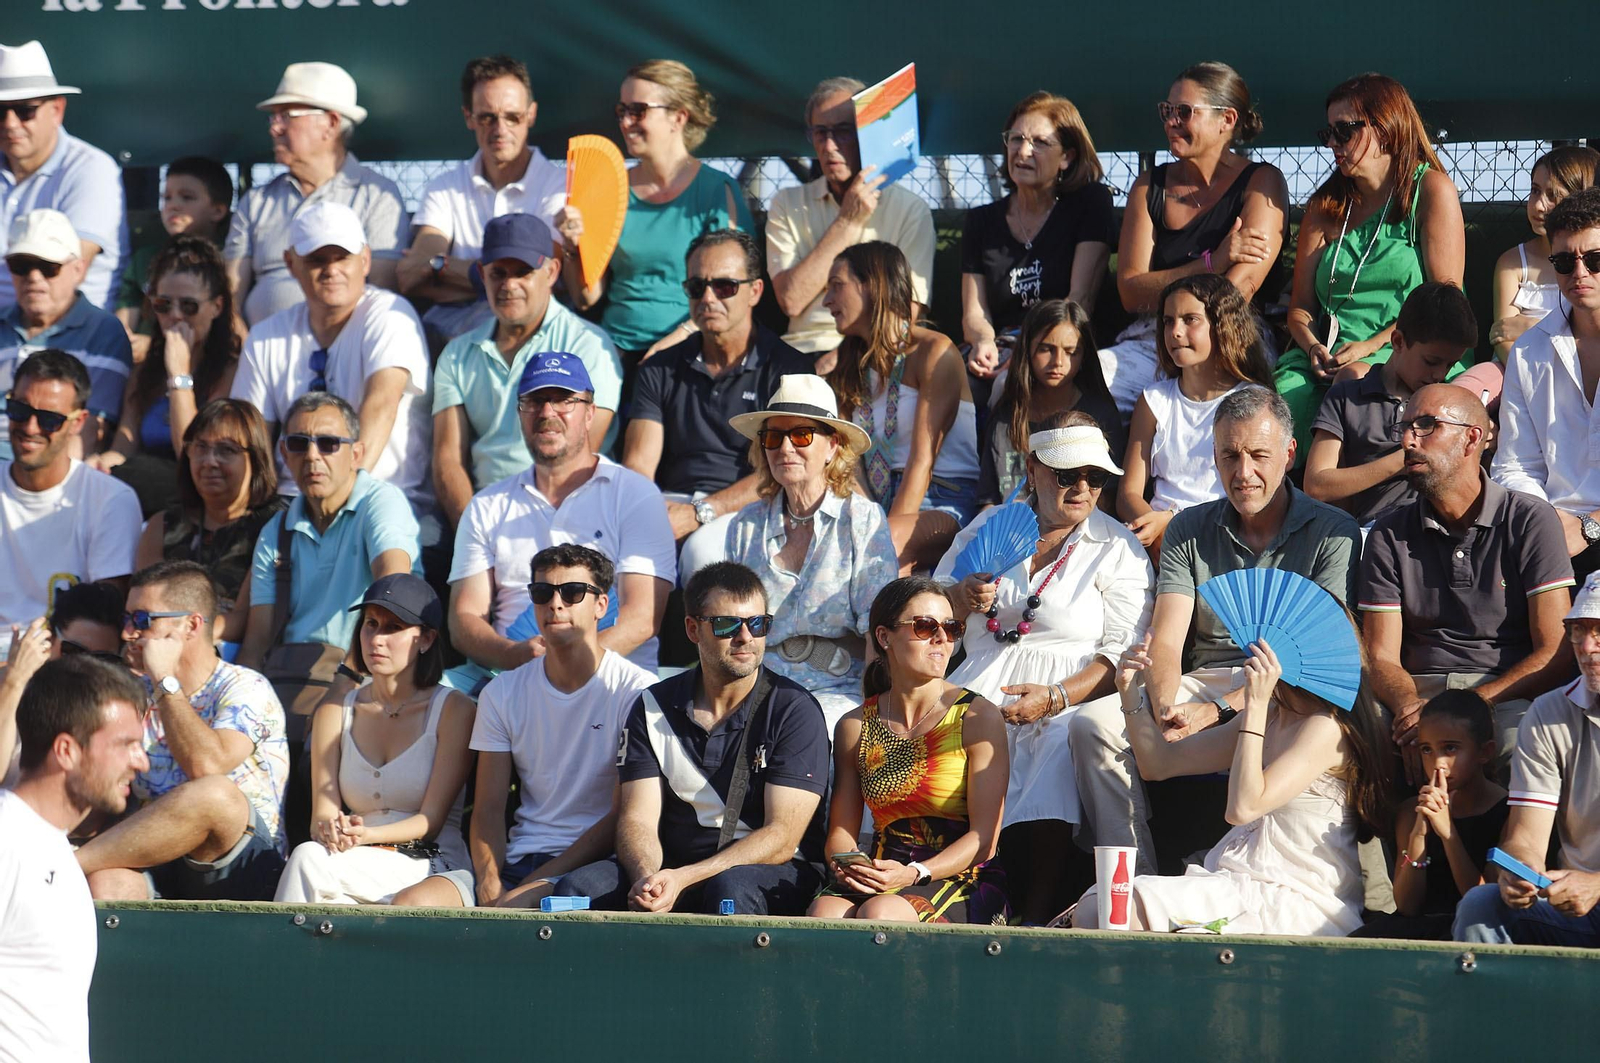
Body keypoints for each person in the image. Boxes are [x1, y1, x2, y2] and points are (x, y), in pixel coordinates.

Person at [1068, 387, 1359, 873]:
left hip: (1290, 688)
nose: (1243, 472)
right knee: (1090, 726)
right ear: (1214, 457)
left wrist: (1218, 709)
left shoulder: (1333, 531)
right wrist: (1165, 707)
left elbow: (1318, 656)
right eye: (1230, 455)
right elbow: (1166, 637)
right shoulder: (1188, 528)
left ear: (1289, 454)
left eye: (1259, 455)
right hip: (1207, 678)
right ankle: (1132, 880)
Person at [938, 416, 1153, 923]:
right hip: (979, 675)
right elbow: (930, 610)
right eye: (1067, 474)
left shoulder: (1118, 547)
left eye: (1095, 477)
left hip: (1073, 688)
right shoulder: (988, 525)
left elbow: (1120, 654)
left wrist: (1056, 696)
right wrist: (960, 597)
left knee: (1057, 741)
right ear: (1033, 469)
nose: (1082, 488)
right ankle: (950, 892)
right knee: (938, 729)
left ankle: (1036, 912)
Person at [551, 562, 830, 916]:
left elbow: (782, 838)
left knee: (729, 890)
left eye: (758, 624)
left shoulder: (794, 709)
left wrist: (686, 877)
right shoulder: (653, 705)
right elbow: (637, 819)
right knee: (577, 889)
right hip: (672, 868)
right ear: (692, 629)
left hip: (770, 871)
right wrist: (648, 879)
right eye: (727, 624)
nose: (746, 637)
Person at [1069, 628, 1388, 936]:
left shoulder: (1326, 727)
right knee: (1099, 904)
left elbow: (1242, 809)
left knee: (1110, 909)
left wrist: (1255, 704)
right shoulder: (1276, 714)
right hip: (1236, 883)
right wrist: (1127, 691)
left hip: (1294, 898)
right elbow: (1159, 764)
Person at [394, 545, 656, 909]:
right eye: (542, 592)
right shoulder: (502, 692)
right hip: (514, 863)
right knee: (412, 904)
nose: (556, 604)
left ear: (601, 605)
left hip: (589, 870)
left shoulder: (636, 690)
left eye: (572, 592)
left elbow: (619, 817)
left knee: (517, 910)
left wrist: (526, 889)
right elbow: (488, 808)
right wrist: (489, 881)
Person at [1359, 384, 1574, 784]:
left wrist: (1463, 709)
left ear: (1472, 438)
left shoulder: (1529, 520)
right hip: (1416, 693)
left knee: (1524, 747)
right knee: (1347, 742)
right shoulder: (1389, 534)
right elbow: (1381, 656)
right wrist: (1408, 707)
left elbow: (1555, 652)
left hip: (1503, 695)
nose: (1408, 441)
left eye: (1427, 425)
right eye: (1405, 427)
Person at [448, 352, 674, 686]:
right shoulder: (486, 505)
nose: (547, 412)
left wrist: (561, 667)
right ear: (520, 412)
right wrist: (513, 656)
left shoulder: (635, 495)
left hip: (612, 680)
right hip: (510, 675)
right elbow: (464, 618)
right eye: (534, 401)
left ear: (590, 413)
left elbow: (642, 618)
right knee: (430, 700)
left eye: (564, 400)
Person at [74, 561, 290, 900]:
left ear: (191, 625)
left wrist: (165, 681)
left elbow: (207, 766)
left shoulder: (246, 688)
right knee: (109, 883)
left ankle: (63, 865)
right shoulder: (135, 693)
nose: (128, 633)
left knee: (214, 794)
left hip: (242, 865)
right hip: (161, 860)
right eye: (127, 618)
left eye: (142, 620)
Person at [1276, 73, 1466, 456]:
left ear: (1386, 129)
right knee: (1280, 401)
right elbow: (1300, 309)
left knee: (1353, 385)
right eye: (1328, 133)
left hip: (1405, 347)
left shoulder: (1430, 190)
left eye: (1344, 131)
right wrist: (1313, 347)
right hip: (1326, 352)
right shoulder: (1325, 206)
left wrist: (1371, 345)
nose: (1332, 143)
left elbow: (1445, 303)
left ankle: (1337, 488)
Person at [810, 576, 1009, 924]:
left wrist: (915, 872)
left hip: (960, 873)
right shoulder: (855, 725)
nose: (942, 638)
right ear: (884, 637)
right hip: (883, 869)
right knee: (826, 914)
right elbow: (841, 830)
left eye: (952, 628)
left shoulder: (977, 716)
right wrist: (848, 864)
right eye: (925, 626)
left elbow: (984, 841)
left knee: (881, 913)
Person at [1097, 62, 1288, 418]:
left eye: (1184, 112)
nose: (1171, 121)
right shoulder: (1148, 187)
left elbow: (1240, 289)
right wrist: (1211, 263)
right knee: (1090, 385)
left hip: (1232, 334)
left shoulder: (1262, 182)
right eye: (1166, 110)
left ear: (1226, 119)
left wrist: (1189, 323)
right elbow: (1131, 291)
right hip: (1155, 333)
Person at [273, 574, 476, 906]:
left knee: (308, 860)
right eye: (371, 624)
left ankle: (270, 941)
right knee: (313, 862)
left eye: (393, 628)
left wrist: (367, 835)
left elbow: (431, 822)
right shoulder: (333, 712)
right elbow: (321, 816)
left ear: (426, 639)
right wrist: (333, 829)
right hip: (352, 862)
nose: (377, 639)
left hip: (430, 862)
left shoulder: (454, 709)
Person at [625, 229, 813, 579]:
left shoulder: (788, 370)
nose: (708, 298)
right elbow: (638, 468)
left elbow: (785, 469)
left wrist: (702, 512)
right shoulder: (658, 369)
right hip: (668, 505)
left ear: (755, 291)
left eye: (724, 286)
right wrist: (650, 515)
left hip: (752, 509)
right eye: (697, 287)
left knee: (703, 555)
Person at [231, 201, 433, 520]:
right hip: (289, 500)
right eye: (317, 260)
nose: (331, 270)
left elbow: (382, 405)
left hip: (381, 496)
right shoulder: (265, 335)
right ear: (290, 263)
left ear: (365, 260)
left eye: (342, 257)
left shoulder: (391, 315)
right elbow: (251, 437)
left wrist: (338, 504)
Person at [236, 393, 420, 729]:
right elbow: (256, 643)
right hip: (289, 679)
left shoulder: (380, 502)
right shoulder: (276, 529)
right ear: (283, 454)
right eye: (298, 443)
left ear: (356, 454)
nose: (312, 456)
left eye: (328, 443)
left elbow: (394, 588)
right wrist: (241, 713)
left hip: (365, 673)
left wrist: (345, 680)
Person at [725, 374, 895, 728]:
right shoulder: (745, 525)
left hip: (839, 691)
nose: (785, 448)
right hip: (756, 688)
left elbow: (877, 632)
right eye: (773, 437)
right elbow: (729, 628)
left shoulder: (861, 519)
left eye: (801, 435)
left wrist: (872, 716)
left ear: (832, 446)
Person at [431, 213, 621, 527]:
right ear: (482, 274)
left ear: (552, 272)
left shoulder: (590, 345)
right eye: (498, 273)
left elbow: (579, 453)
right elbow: (447, 459)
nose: (509, 285)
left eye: (523, 272)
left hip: (570, 514)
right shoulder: (456, 354)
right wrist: (473, 531)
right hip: (481, 513)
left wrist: (525, 532)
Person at [0, 657, 147, 1063]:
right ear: (66, 751)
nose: (141, 761)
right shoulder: (7, 841)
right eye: (125, 745)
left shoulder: (54, 850)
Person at [558, 59, 752, 365]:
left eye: (638, 111)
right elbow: (586, 298)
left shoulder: (717, 191)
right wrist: (572, 249)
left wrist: (676, 340)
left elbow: (736, 292)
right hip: (614, 350)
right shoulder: (610, 191)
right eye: (622, 110)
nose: (625, 122)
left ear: (678, 117)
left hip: (694, 349)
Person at [1454, 571, 1600, 946]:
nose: (1586, 646)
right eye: (1578, 630)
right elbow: (1525, 836)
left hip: (1590, 892)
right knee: (1482, 905)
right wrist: (1518, 871)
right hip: (1577, 906)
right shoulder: (1550, 711)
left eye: (1599, 631)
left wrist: (1597, 884)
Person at [825, 241, 979, 566]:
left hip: (943, 497)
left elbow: (923, 460)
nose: (827, 300)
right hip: (877, 502)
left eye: (837, 286)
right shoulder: (846, 366)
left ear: (872, 285)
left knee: (883, 546)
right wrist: (868, 518)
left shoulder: (935, 352)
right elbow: (850, 463)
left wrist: (879, 532)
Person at [766, 76, 936, 364]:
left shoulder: (910, 209)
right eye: (820, 132)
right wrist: (847, 222)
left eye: (843, 131)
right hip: (801, 351)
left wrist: (845, 356)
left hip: (875, 352)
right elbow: (791, 300)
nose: (830, 146)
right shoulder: (787, 203)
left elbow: (907, 312)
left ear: (869, 135)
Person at [227, 61, 407, 328]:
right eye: (273, 118)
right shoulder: (256, 202)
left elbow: (382, 293)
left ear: (330, 123)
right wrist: (244, 343)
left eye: (287, 116)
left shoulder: (378, 196)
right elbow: (231, 294)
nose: (274, 129)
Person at [400, 55, 566, 343]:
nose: (500, 129)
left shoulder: (559, 185)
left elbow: (548, 280)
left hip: (532, 332)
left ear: (531, 114)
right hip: (453, 331)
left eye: (512, 117)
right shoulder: (444, 187)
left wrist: (443, 266)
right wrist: (504, 280)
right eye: (487, 117)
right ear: (469, 117)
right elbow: (410, 276)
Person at [961, 92, 1115, 388]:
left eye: (1040, 142)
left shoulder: (1090, 204)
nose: (1023, 151)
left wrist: (1029, 350)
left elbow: (1080, 300)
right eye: (1016, 139)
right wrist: (983, 341)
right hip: (1002, 347)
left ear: (1067, 157)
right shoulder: (981, 221)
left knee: (1010, 387)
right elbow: (974, 313)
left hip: (1062, 347)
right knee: (953, 381)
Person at [1117, 274, 1274, 556]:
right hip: (1158, 542)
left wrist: (1174, 525)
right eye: (1168, 321)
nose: (1175, 332)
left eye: (1190, 319)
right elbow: (1128, 494)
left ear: (1222, 325)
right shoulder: (1153, 401)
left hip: (1226, 541)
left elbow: (1255, 497)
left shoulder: (1255, 401)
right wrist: (1154, 527)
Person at [88, 237, 242, 517]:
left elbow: (196, 457)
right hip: (143, 495)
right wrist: (100, 465)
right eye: (163, 304)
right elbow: (124, 447)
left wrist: (179, 375)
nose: (175, 316)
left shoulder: (231, 372)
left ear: (217, 307)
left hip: (197, 500)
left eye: (189, 306)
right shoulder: (145, 372)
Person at [1493, 186, 1600, 585]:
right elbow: (1515, 465)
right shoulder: (1528, 350)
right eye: (1564, 261)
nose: (1579, 273)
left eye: (1595, 259)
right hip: (1551, 534)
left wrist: (1590, 525)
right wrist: (1547, 522)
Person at [1305, 281, 1476, 527]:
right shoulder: (1346, 397)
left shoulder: (1452, 405)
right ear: (1398, 342)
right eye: (1431, 361)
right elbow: (1316, 485)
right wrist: (1405, 460)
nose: (1439, 374)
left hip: (1445, 530)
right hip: (1376, 532)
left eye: (1450, 365)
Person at [0, 349, 141, 630]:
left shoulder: (111, 501)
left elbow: (103, 624)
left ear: (78, 422)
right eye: (20, 410)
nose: (30, 427)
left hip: (60, 653)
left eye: (49, 419)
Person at [1351, 690, 1507, 939]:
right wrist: (1419, 834)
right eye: (1426, 749)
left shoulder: (1507, 811)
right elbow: (1407, 905)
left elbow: (1483, 903)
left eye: (1450, 748)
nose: (1437, 762)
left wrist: (1448, 833)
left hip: (1474, 929)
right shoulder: (1411, 810)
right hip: (1421, 927)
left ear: (1484, 752)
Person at [133, 399, 285, 643]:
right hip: (162, 646)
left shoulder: (274, 527)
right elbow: (142, 607)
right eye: (200, 448)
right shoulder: (162, 526)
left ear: (256, 458)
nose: (210, 461)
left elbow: (243, 620)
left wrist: (178, 635)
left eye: (226, 450)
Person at [0, 40, 126, 309]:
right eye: (0, 112)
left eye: (25, 110)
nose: (10, 123)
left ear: (56, 110)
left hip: (67, 327)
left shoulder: (92, 169)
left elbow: (62, 277)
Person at [0, 209, 132, 458]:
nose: (33, 277)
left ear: (79, 269)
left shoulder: (103, 332)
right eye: (21, 266)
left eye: (48, 267)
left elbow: (90, 431)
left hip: (41, 470)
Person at [979, 299, 1124, 507]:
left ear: (1084, 356)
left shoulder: (1101, 416)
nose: (1058, 362)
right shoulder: (1005, 417)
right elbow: (988, 501)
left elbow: (1107, 501)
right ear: (1027, 349)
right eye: (1046, 349)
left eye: (1071, 352)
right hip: (1008, 526)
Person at [1490, 146, 1600, 362]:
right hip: (1516, 366)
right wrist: (1528, 374)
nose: (1539, 205)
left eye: (1553, 195)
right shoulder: (1512, 262)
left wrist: (1533, 326)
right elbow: (1502, 336)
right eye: (1535, 190)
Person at [113, 156, 233, 347]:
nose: (173, 205)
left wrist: (152, 345)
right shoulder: (145, 258)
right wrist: (127, 342)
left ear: (217, 211)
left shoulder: (229, 261)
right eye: (167, 197)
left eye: (187, 197)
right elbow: (126, 313)